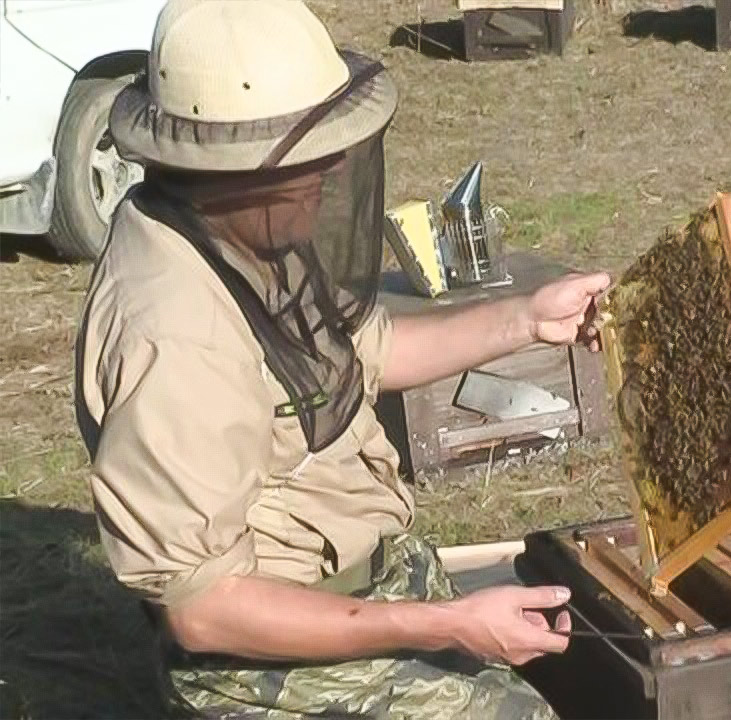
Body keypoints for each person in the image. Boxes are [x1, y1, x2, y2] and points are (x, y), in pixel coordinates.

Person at [73, 1, 610, 717]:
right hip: (261, 654)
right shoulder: (175, 338)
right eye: (309, 153)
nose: (331, 168)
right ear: (235, 166)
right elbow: (202, 609)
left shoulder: (235, 225)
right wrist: (445, 624)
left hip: (368, 580)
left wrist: (529, 319)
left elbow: (367, 349)